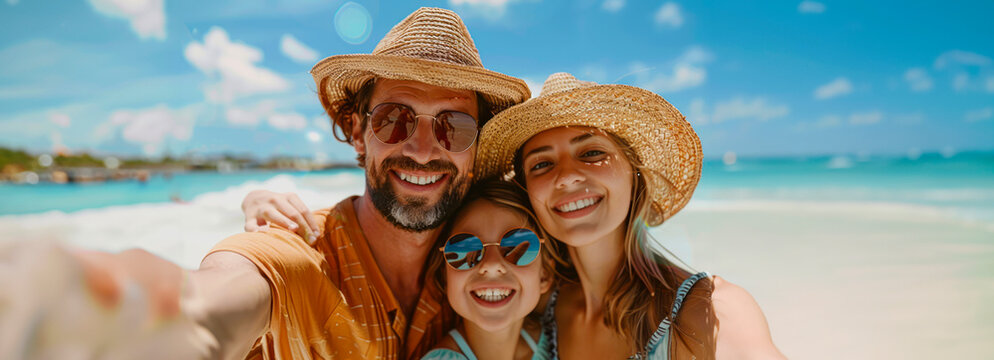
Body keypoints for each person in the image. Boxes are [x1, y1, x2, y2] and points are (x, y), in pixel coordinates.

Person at [2, 7, 530, 360]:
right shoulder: (298, 256)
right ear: (356, 132)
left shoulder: (479, 265)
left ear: (476, 147)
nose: (421, 147)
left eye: (454, 126)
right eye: (394, 118)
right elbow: (203, 309)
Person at [251, 73, 785, 359]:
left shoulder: (707, 311)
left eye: (593, 153)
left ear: (634, 173)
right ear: (530, 191)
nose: (568, 177)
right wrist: (261, 209)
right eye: (542, 163)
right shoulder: (536, 304)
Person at [420, 180, 557, 360]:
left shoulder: (554, 341)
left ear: (544, 274)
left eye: (516, 247)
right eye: (464, 249)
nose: (491, 265)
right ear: (445, 276)